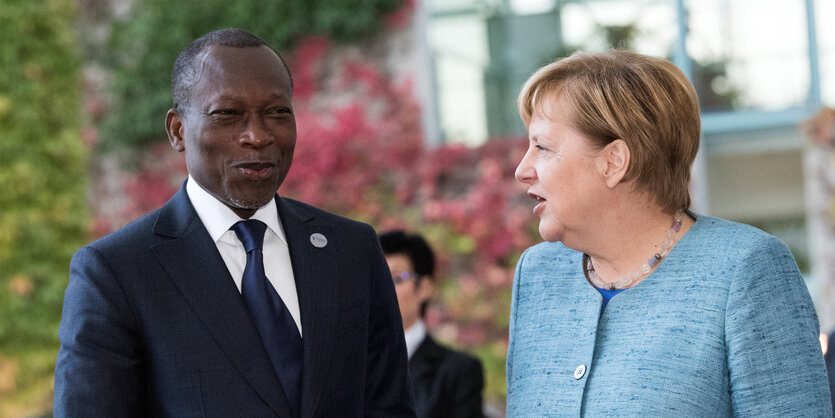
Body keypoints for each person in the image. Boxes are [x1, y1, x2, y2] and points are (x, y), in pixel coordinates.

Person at [54, 28, 415, 417]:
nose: (257, 136)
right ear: (177, 130)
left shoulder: (352, 250)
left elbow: (388, 406)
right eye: (228, 114)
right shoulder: (116, 273)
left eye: (277, 112)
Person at [506, 50, 832, 416]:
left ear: (613, 161)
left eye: (543, 147)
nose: (522, 169)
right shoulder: (537, 274)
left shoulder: (747, 269)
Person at [379, 230, 484, 418]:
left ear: (425, 288)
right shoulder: (347, 363)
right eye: (375, 278)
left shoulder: (458, 372)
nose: (382, 289)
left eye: (396, 278)